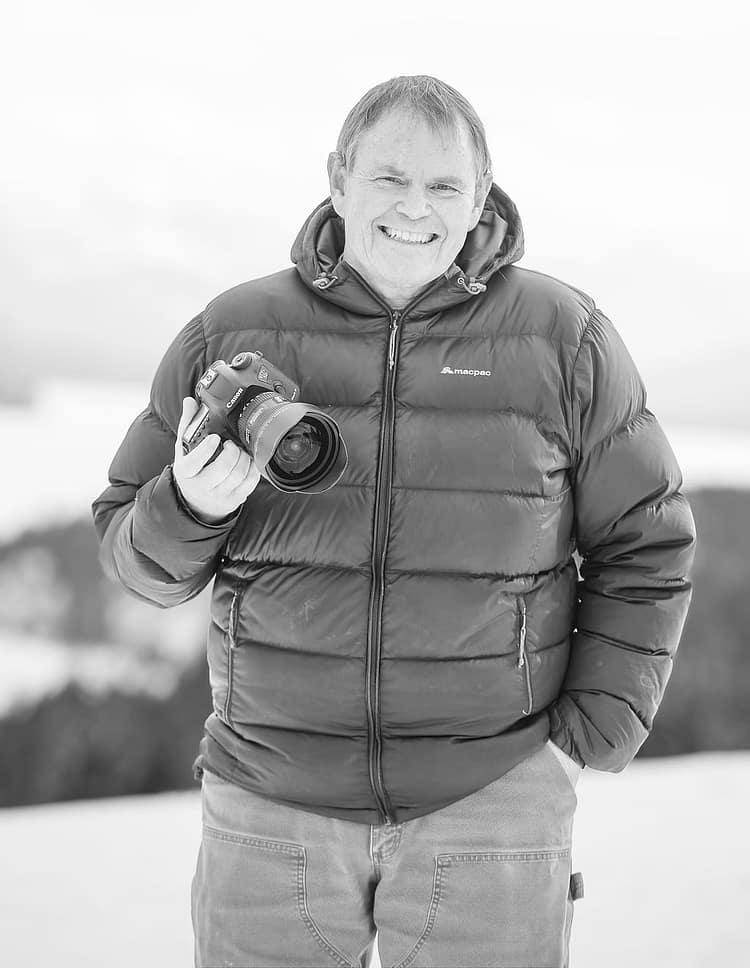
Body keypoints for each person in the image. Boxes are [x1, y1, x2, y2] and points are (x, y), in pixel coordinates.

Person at [92, 75, 697, 968]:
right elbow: (135, 563)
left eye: (445, 185)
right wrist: (189, 506)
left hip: (490, 801)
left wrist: (580, 746)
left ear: (481, 198)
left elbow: (647, 546)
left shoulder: (565, 338)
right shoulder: (231, 332)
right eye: (389, 178)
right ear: (338, 180)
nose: (416, 208)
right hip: (270, 803)